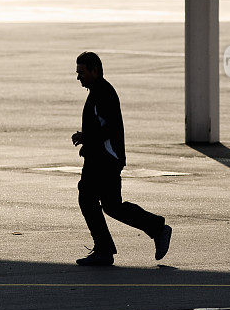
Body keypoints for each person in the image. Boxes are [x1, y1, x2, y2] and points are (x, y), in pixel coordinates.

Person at [71, 51, 171, 266]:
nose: (78, 77)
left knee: (87, 198)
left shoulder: (103, 93)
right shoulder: (98, 91)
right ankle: (157, 228)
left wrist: (86, 137)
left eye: (81, 72)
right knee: (111, 205)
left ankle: (105, 250)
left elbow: (110, 128)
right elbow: (103, 128)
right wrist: (87, 144)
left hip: (105, 160)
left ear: (94, 70)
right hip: (103, 157)